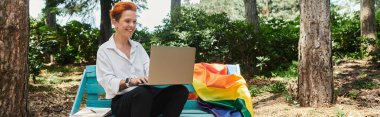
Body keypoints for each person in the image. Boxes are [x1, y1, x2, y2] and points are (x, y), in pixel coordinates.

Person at [96, 2, 189, 117]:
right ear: (114, 22)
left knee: (180, 91)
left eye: (134, 22)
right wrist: (130, 81)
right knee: (142, 92)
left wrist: (167, 75)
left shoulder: (138, 47)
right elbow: (107, 81)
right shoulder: (105, 50)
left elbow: (149, 69)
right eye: (127, 21)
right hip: (123, 103)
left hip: (147, 98)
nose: (132, 25)